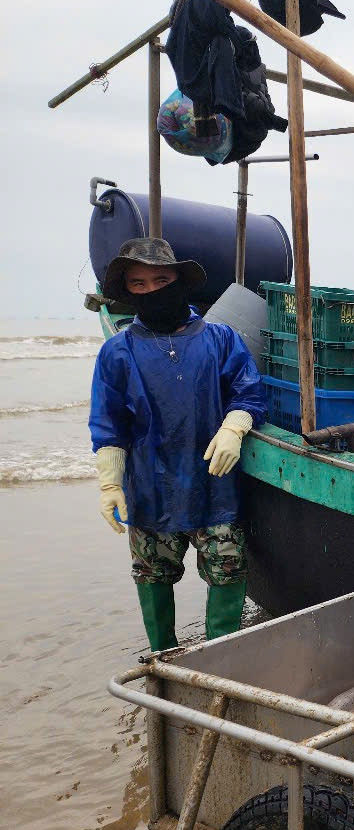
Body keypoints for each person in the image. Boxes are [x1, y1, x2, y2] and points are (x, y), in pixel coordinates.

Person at [89, 237, 267, 651]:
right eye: (139, 284)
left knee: (227, 569)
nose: (151, 290)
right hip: (151, 489)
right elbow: (108, 424)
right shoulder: (117, 352)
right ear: (127, 291)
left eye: (161, 279)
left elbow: (251, 393)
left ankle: (221, 658)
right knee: (152, 573)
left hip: (216, 485)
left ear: (179, 282)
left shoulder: (221, 339)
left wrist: (235, 426)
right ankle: (163, 659)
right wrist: (109, 484)